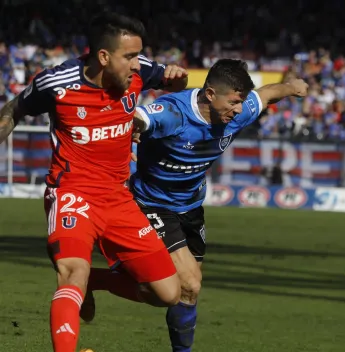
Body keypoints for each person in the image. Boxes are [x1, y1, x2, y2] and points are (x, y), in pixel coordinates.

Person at [85, 58, 308, 351]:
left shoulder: (238, 113)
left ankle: (93, 280)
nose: (239, 109)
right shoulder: (173, 112)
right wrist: (130, 131)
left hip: (191, 208)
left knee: (184, 293)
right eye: (234, 101)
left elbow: (266, 95)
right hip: (152, 204)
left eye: (241, 102)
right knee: (188, 284)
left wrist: (291, 87)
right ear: (211, 94)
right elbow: (138, 118)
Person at [0, 12, 189, 352]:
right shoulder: (56, 83)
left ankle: (94, 283)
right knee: (72, 272)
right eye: (130, 57)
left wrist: (177, 78)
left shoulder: (141, 70)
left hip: (119, 198)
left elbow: (175, 84)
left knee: (167, 293)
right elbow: (16, 108)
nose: (137, 65)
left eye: (138, 56)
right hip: (72, 193)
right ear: (103, 56)